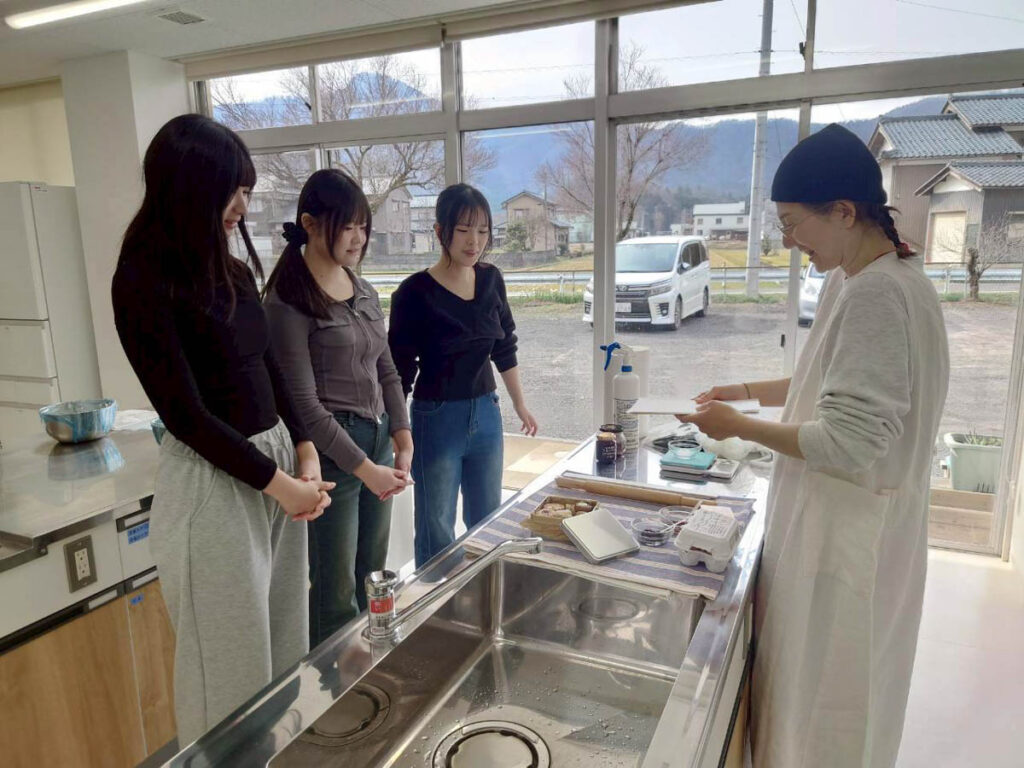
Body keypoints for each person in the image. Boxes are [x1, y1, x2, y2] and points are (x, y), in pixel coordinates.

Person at [680, 124, 949, 767]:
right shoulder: (859, 277)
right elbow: (825, 379)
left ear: (845, 212)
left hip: (850, 534)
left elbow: (849, 439)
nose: (789, 241)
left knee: (832, 708)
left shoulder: (881, 294)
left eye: (794, 223)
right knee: (808, 694)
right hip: (840, 523)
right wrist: (744, 390)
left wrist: (737, 427)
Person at [111, 114, 333, 744]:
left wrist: (306, 450)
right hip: (215, 484)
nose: (242, 206)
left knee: (284, 653)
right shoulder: (142, 282)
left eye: (246, 191)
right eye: (231, 192)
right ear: (189, 189)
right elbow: (184, 416)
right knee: (228, 678)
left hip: (274, 471)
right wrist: (281, 484)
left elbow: (273, 371)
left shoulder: (232, 271)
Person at [263, 169, 412, 647]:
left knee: (373, 575)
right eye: (347, 226)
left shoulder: (361, 288)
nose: (359, 237)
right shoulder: (288, 300)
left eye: (363, 226)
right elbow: (304, 405)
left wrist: (402, 438)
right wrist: (364, 467)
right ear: (309, 223)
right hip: (331, 458)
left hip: (377, 442)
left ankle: (366, 669)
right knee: (334, 591)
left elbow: (387, 369)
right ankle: (331, 702)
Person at [388, 183, 538, 567]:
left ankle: (480, 605)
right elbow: (399, 371)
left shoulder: (491, 280)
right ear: (441, 232)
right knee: (437, 526)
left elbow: (504, 346)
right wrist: (397, 432)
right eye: (464, 229)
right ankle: (437, 612)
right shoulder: (413, 293)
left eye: (483, 231)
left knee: (488, 520)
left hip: (486, 414)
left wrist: (520, 404)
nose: (475, 241)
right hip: (436, 417)